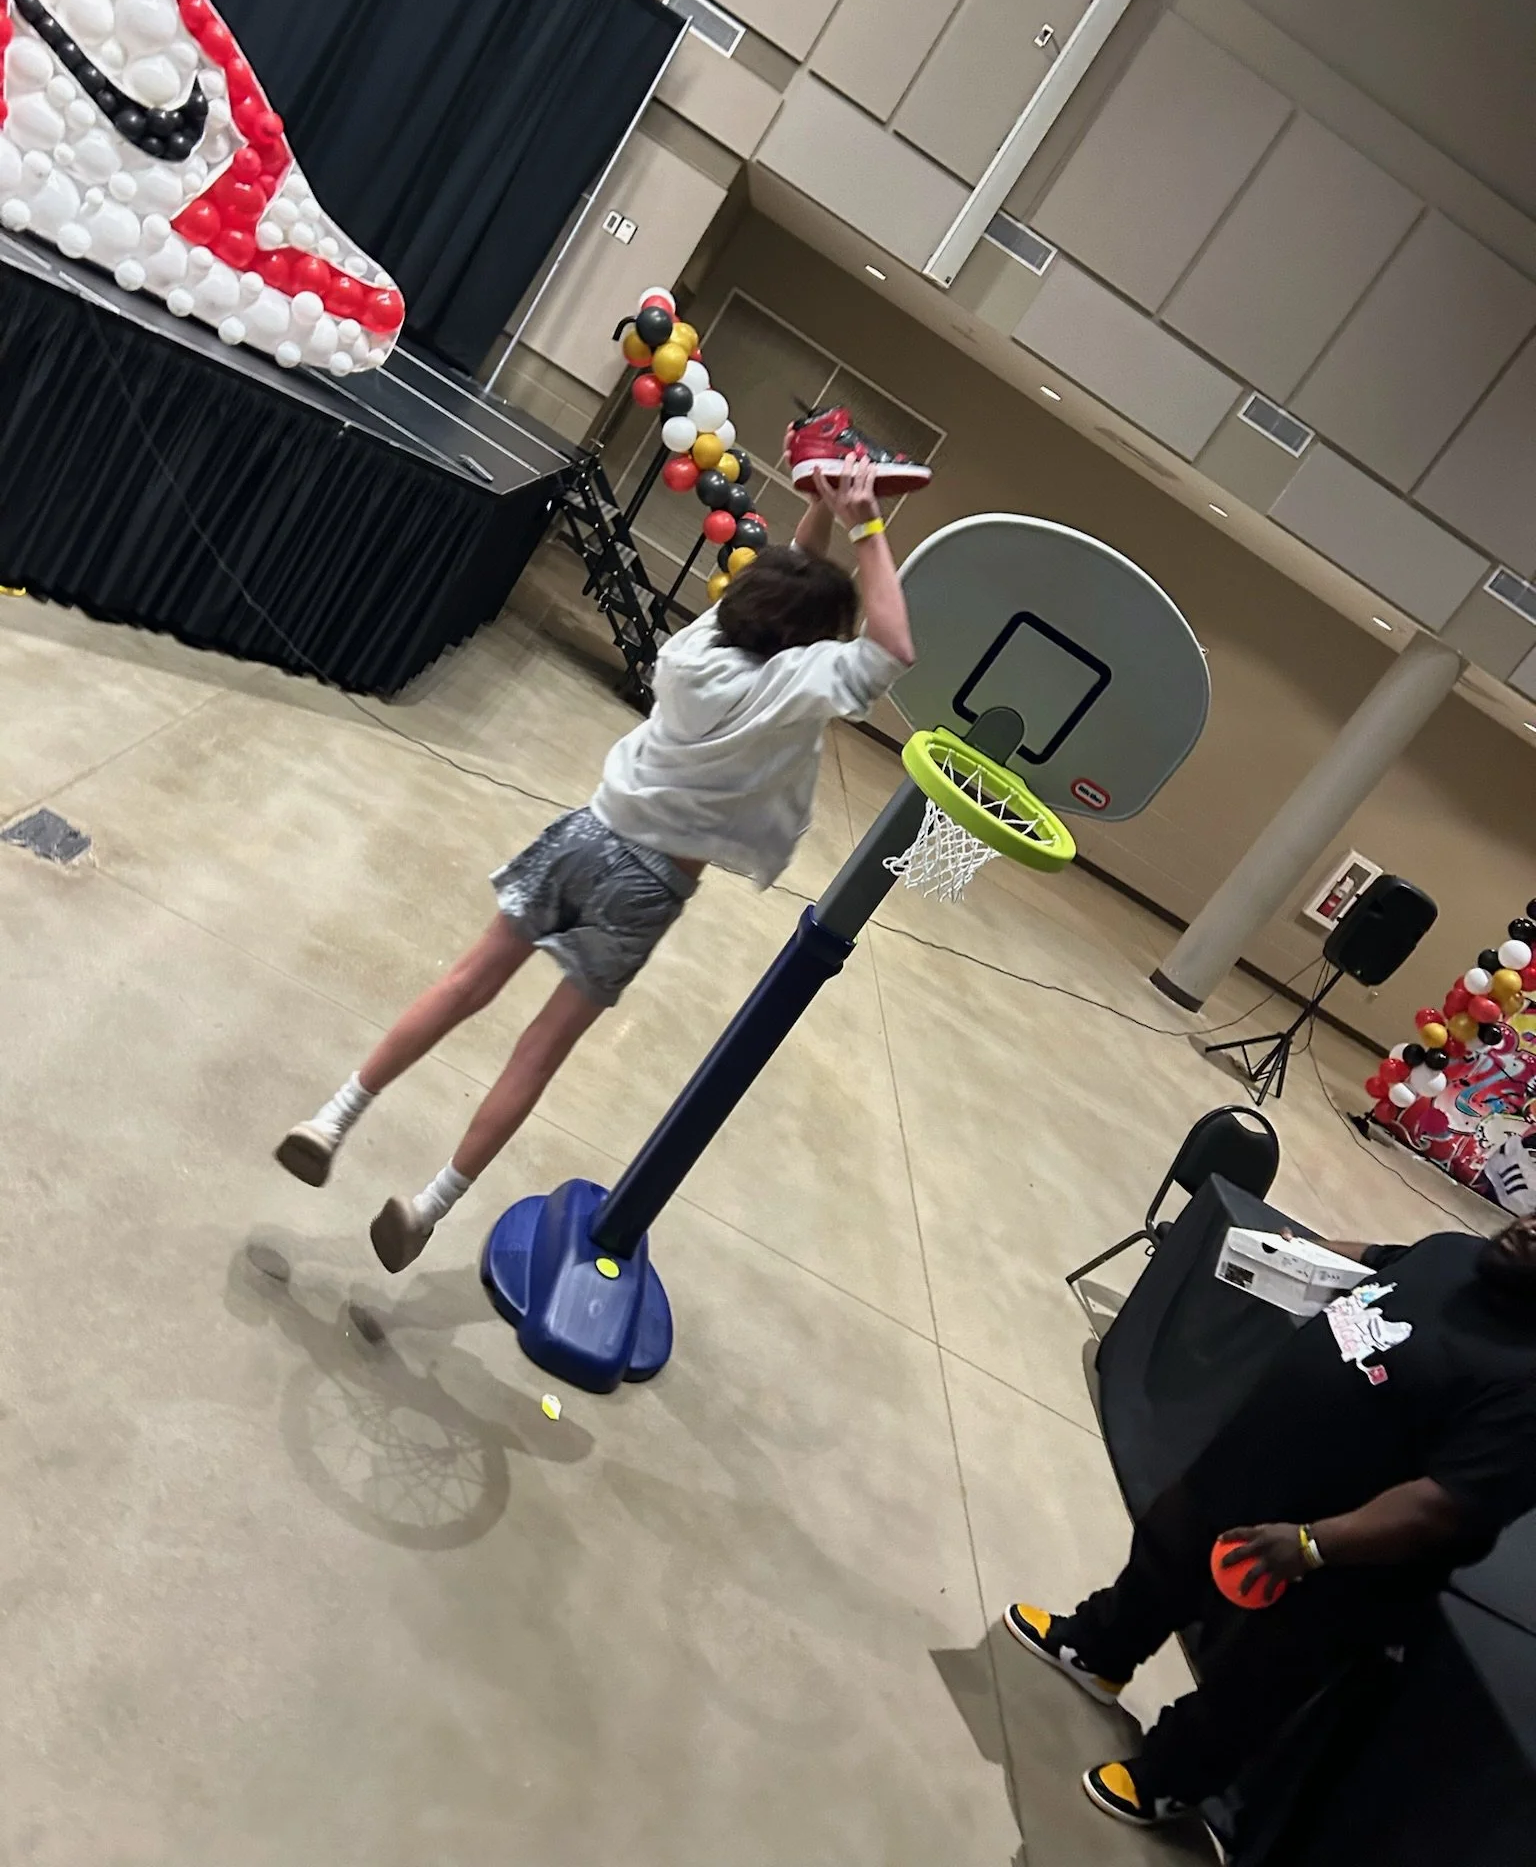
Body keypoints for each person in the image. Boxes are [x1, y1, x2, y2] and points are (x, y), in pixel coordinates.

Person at [275, 453, 915, 1271]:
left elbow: (785, 581)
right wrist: (867, 523)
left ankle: (331, 1119)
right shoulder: (798, 689)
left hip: (587, 834)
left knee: (464, 984)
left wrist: (820, 506)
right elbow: (893, 646)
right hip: (651, 886)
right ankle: (428, 1207)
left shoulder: (697, 649)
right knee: (539, 1049)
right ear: (813, 638)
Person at [1007, 1215, 1536, 1831]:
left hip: (1343, 1555)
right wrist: (1300, 1252)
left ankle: (1167, 1781)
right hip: (1254, 1464)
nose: (1530, 1226)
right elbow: (1374, 1258)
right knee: (1167, 1548)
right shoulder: (1453, 1251)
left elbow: (1444, 1504)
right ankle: (1099, 1649)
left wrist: (1314, 1545)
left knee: (1254, 1676)